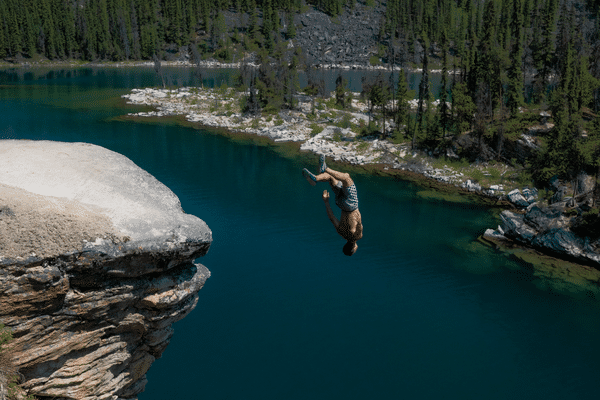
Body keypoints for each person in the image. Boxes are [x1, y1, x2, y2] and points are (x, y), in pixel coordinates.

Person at [303, 155, 363, 256]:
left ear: (353, 248)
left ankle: (324, 169)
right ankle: (316, 178)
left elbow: (360, 224)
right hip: (340, 203)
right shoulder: (341, 233)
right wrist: (326, 201)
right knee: (331, 178)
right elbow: (331, 217)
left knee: (346, 178)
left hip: (351, 206)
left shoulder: (357, 236)